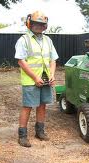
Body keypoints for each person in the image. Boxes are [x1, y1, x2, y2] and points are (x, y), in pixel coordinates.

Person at [14, 10, 59, 147]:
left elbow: (53, 60)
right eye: (36, 23)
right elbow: (21, 61)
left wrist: (52, 74)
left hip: (45, 78)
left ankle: (40, 131)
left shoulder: (47, 40)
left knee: (42, 105)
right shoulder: (24, 40)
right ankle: (22, 136)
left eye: (42, 24)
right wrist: (34, 77)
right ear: (30, 24)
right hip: (30, 80)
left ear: (45, 26)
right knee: (27, 106)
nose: (39, 26)